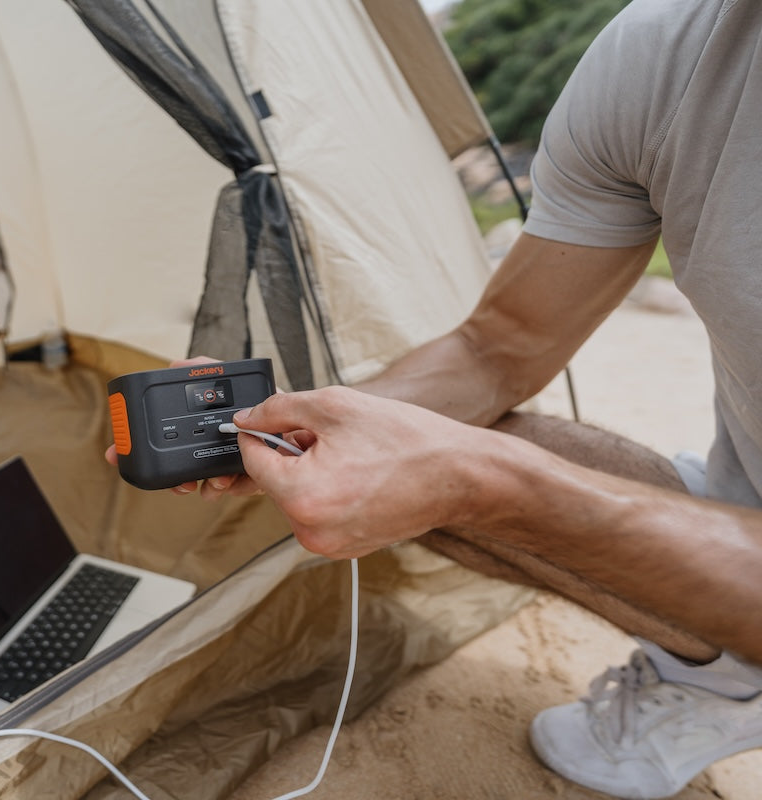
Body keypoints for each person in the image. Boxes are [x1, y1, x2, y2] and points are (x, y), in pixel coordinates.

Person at [112, 1, 762, 796]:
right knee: (437, 438)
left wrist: (486, 480)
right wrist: (325, 422)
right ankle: (733, 678)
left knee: (460, 461)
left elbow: (482, 461)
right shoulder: (665, 57)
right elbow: (499, 347)